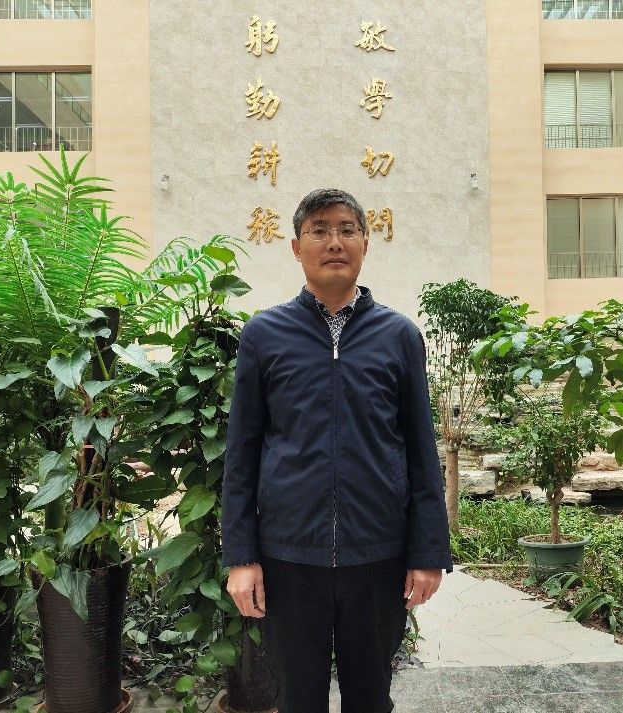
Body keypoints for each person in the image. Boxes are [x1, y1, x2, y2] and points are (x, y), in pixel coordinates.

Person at [222, 188, 453, 713]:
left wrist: (427, 554)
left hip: (378, 555)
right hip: (288, 557)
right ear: (296, 247)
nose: (334, 242)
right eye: (319, 230)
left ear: (365, 244)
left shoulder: (399, 336)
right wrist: (242, 557)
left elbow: (421, 450)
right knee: (297, 699)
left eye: (347, 230)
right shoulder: (264, 335)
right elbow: (242, 454)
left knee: (370, 698)